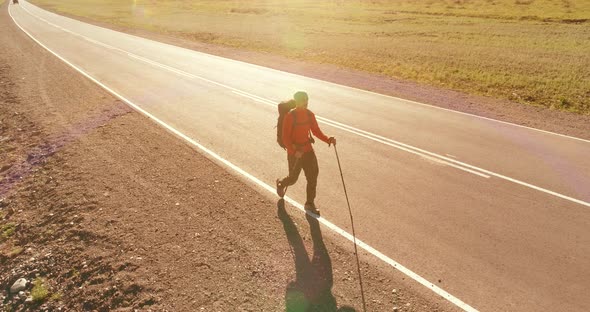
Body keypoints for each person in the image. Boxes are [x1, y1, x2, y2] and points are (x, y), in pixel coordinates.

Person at [276, 91, 336, 215]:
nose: (306, 102)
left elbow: (316, 131)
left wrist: (327, 139)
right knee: (293, 179)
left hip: (308, 151)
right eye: (303, 100)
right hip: (295, 153)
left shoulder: (309, 115)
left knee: (313, 177)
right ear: (297, 102)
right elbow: (285, 137)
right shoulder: (290, 116)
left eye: (307, 99)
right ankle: (281, 183)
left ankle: (309, 203)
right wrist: (293, 151)